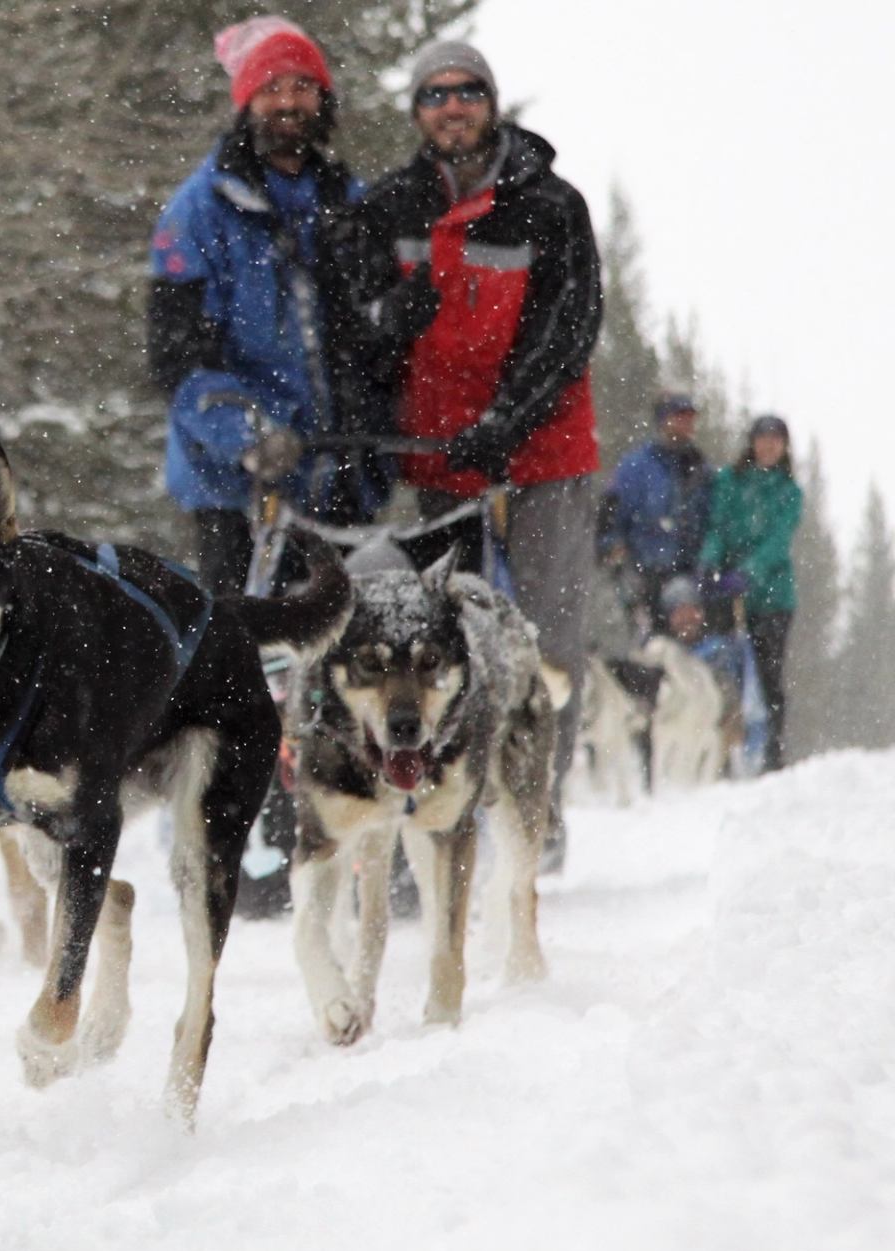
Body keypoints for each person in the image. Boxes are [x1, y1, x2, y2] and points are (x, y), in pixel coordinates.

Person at [328, 39, 602, 870]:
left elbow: (570, 327)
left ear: (491, 102)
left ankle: (537, 807)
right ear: (417, 112)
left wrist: (507, 418)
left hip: (542, 452)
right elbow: (357, 331)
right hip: (439, 458)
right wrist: (391, 323)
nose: (452, 107)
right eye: (435, 94)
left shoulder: (549, 204)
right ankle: (438, 808)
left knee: (547, 641)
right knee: (439, 647)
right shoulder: (390, 207)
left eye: (467, 91)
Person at [147, 16, 384, 598]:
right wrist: (248, 435)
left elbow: (376, 340)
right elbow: (177, 358)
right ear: (245, 101)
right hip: (236, 490)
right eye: (271, 87)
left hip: (339, 480)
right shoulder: (197, 212)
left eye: (302, 86)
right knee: (246, 643)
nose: (288, 102)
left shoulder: (351, 202)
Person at [700, 414, 802, 771]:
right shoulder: (730, 481)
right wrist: (710, 561)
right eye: (763, 438)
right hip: (727, 592)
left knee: (768, 673)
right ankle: (726, 751)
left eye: (776, 440)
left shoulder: (789, 491)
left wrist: (749, 572)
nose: (768, 446)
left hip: (773, 597)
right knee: (725, 670)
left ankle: (772, 751)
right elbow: (718, 527)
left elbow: (778, 542)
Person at [597, 393, 714, 636]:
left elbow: (712, 521)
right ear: (663, 420)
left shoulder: (701, 469)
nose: (686, 424)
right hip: (640, 571)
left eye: (689, 418)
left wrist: (706, 563)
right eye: (679, 417)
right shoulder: (635, 467)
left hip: (686, 574)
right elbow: (610, 516)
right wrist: (612, 548)